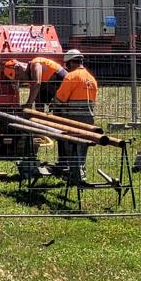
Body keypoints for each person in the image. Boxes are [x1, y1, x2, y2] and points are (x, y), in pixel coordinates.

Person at [52, 48, 98, 182]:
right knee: (82, 149)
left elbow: (60, 99)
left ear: (71, 63)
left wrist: (52, 105)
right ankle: (80, 173)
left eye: (67, 64)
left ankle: (74, 176)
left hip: (73, 119)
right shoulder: (91, 79)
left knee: (71, 148)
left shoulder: (71, 77)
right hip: (88, 119)